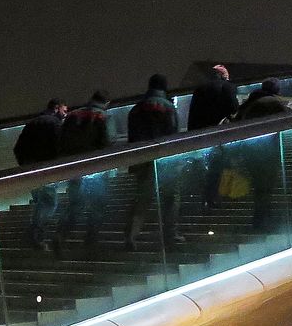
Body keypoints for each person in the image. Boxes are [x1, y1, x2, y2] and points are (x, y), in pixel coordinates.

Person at [124, 74, 181, 253]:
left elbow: (131, 138)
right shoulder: (168, 107)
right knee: (170, 198)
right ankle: (170, 235)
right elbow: (173, 134)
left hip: (142, 160)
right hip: (165, 161)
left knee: (141, 200)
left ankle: (130, 236)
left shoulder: (136, 109)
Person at [54, 90, 111, 253]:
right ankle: (91, 241)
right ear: (106, 103)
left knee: (75, 204)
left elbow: (61, 140)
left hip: (75, 168)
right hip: (96, 169)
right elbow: (107, 142)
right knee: (97, 205)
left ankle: (60, 235)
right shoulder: (102, 116)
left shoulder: (73, 115)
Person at [14, 99, 67, 251]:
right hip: (47, 169)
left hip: (31, 170)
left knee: (40, 203)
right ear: (57, 108)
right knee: (48, 203)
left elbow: (18, 148)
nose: (65, 114)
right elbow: (59, 146)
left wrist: (25, 165)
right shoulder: (54, 124)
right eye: (64, 110)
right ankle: (35, 236)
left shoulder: (32, 123)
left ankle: (34, 236)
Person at [235, 79, 289, 230]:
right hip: (266, 152)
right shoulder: (272, 102)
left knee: (260, 187)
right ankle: (261, 220)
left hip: (249, 151)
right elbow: (288, 120)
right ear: (276, 90)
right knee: (266, 187)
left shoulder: (250, 102)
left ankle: (261, 219)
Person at [187, 64, 239, 207]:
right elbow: (234, 109)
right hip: (221, 134)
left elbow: (192, 115)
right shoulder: (227, 87)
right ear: (224, 76)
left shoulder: (199, 89)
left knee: (208, 166)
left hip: (201, 135)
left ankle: (206, 197)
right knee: (221, 165)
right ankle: (220, 196)